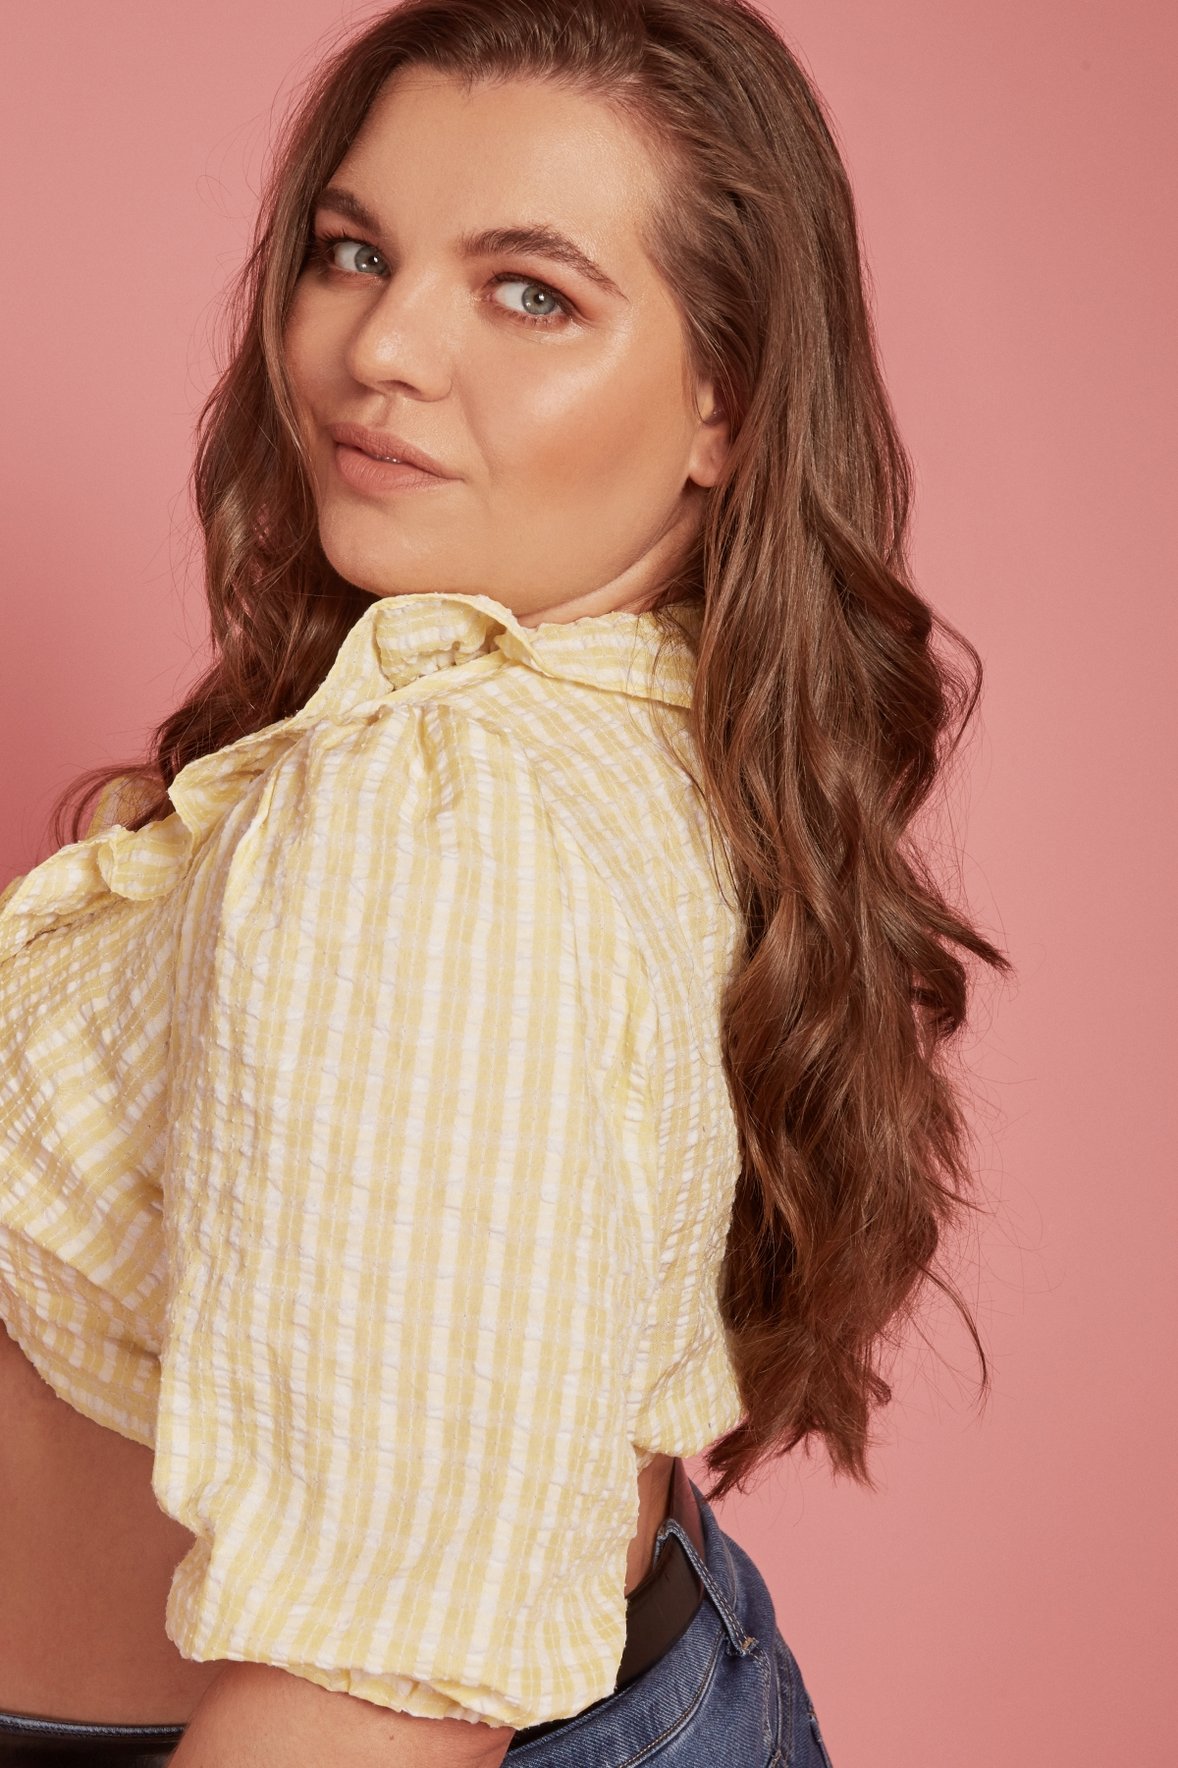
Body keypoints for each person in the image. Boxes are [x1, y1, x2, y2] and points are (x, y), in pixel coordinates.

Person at [0, 1, 1010, 1763]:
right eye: (353, 253)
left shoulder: (443, 821)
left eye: (528, 292)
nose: (378, 348)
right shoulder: (633, 711)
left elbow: (372, 1704)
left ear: (725, 404)